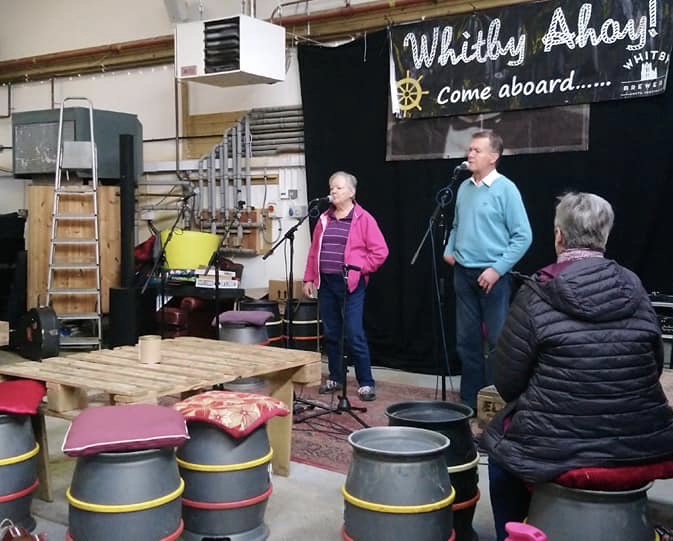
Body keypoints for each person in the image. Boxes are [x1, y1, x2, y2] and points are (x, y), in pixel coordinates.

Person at [482, 192, 673, 541]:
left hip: (557, 452)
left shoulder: (536, 293)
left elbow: (508, 382)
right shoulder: (635, 288)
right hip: (642, 447)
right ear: (605, 236)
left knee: (499, 451)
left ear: (559, 235)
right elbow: (654, 366)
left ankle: (513, 534)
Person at [443, 130, 532, 410]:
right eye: (469, 149)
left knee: (497, 342)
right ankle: (470, 402)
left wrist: (497, 269)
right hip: (463, 273)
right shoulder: (464, 188)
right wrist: (449, 249)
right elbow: (457, 225)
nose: (469, 154)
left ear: (493, 157)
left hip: (493, 277)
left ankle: (497, 404)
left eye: (476, 150)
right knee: (466, 342)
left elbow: (523, 236)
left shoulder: (506, 189)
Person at [302, 171, 389, 402]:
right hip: (326, 283)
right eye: (331, 187)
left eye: (338, 187)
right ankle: (336, 377)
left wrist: (360, 269)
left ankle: (366, 382)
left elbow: (380, 251)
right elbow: (314, 251)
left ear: (351, 192)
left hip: (351, 284)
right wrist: (309, 278)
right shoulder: (324, 219)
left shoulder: (364, 218)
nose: (333, 191)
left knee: (353, 333)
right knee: (331, 333)